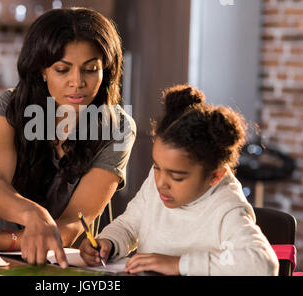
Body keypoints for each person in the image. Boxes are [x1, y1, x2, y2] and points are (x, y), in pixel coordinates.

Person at [0, 7, 136, 267]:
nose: (77, 82)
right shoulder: (12, 105)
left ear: (106, 70)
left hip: (56, 264)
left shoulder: (119, 127)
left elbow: (72, 224)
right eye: (62, 69)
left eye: (90, 69)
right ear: (42, 70)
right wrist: (35, 214)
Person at [79, 84, 279, 276]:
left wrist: (178, 264)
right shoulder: (161, 182)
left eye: (176, 176)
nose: (160, 183)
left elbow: (263, 264)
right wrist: (108, 242)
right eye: (157, 167)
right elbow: (129, 225)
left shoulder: (227, 206)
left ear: (215, 176)